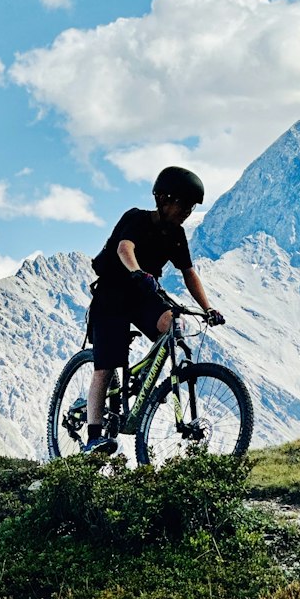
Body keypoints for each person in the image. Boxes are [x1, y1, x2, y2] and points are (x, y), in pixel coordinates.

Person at [81, 166, 224, 454]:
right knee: (106, 366)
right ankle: (93, 437)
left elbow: (188, 273)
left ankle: (144, 379)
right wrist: (136, 271)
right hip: (112, 295)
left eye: (191, 206)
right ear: (163, 199)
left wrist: (208, 308)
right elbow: (124, 248)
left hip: (143, 294)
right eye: (183, 203)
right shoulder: (136, 218)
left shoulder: (177, 235)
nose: (187, 211)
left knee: (173, 323)